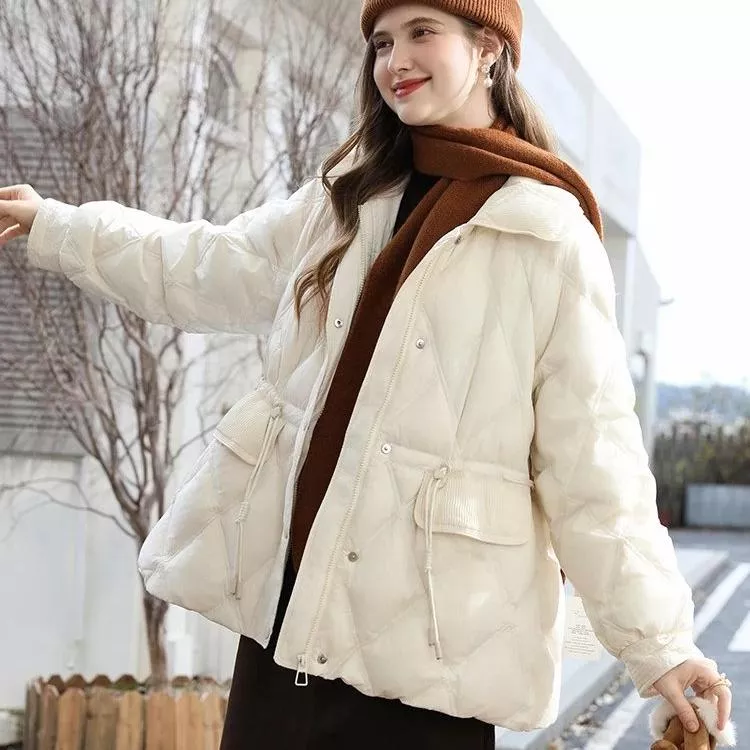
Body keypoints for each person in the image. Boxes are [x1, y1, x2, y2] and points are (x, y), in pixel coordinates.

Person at [0, 1, 733, 748]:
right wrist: (58, 224)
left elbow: (593, 463)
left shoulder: (549, 236)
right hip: (288, 625)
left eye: (423, 33)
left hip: (426, 664)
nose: (395, 61)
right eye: (382, 42)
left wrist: (661, 646)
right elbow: (208, 264)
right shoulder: (350, 195)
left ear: (489, 48)